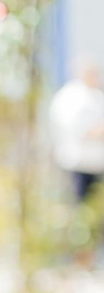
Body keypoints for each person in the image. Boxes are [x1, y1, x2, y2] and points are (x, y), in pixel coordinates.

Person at [49, 57, 104, 201]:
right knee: (77, 205)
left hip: (96, 164)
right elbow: (70, 127)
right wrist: (95, 132)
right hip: (76, 163)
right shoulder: (69, 96)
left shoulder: (98, 96)